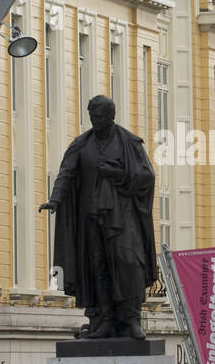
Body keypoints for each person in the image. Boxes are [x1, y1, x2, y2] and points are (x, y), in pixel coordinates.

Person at [40, 94, 157, 340]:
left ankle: (131, 318)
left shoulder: (129, 142)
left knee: (129, 262)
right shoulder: (82, 144)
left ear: (111, 117)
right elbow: (66, 173)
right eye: (92, 116)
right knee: (97, 268)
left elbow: (147, 176)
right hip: (91, 220)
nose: (96, 121)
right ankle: (104, 319)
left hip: (123, 218)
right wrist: (55, 199)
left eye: (100, 117)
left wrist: (118, 175)